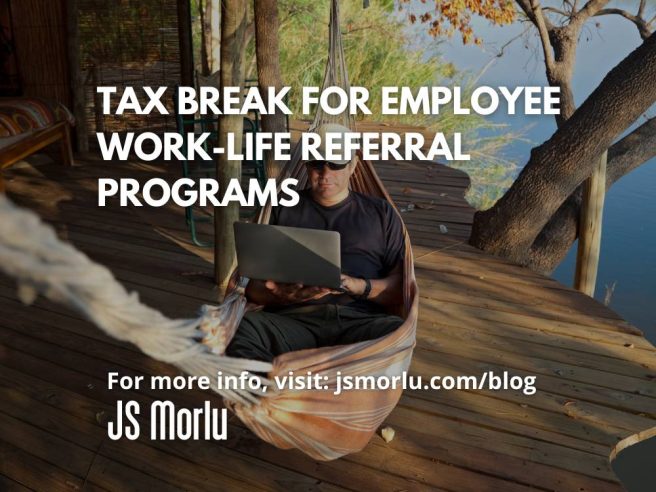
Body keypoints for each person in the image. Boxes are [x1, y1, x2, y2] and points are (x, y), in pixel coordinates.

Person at [225, 123, 405, 362]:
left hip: (358, 320)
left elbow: (401, 289)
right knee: (243, 330)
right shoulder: (281, 206)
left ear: (353, 165)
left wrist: (358, 286)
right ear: (306, 165)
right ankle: (275, 393)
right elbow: (253, 289)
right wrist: (284, 295)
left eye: (336, 163)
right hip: (292, 319)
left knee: (395, 333)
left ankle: (294, 385)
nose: (326, 173)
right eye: (317, 163)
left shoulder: (381, 213)